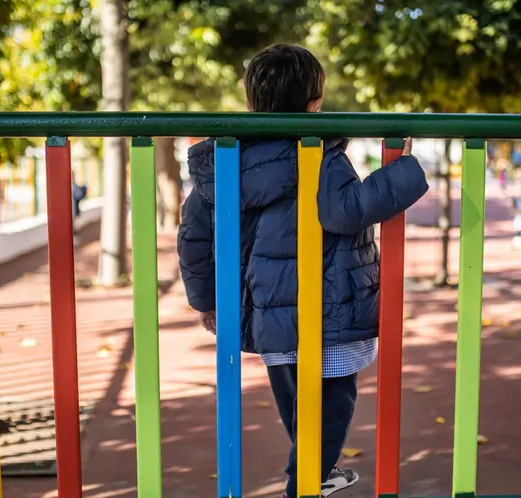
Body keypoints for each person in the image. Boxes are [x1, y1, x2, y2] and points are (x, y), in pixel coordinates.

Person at [176, 44, 429, 498]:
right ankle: (306, 481)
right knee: (334, 400)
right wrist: (404, 172)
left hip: (268, 314)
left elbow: (194, 236)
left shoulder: (226, 163)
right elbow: (347, 210)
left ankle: (312, 471)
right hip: (328, 309)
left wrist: (206, 299)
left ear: (251, 103)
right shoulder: (319, 154)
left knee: (294, 398)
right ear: (316, 104)